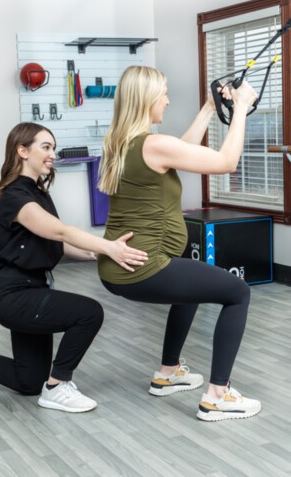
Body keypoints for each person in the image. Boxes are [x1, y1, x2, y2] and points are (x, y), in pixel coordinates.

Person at [0, 122, 148, 413]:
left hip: (33, 291)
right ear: (22, 151)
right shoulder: (14, 196)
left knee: (27, 381)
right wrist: (108, 246)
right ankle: (57, 386)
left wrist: (97, 255)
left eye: (53, 148)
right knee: (89, 313)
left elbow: (56, 243)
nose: (53, 154)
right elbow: (61, 231)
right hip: (13, 296)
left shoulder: (38, 192)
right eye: (46, 147)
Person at [98, 65, 261, 422]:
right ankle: (218, 396)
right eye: (164, 94)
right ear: (147, 99)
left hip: (117, 268)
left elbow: (179, 152)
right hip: (144, 266)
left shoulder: (121, 142)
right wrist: (241, 110)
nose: (168, 101)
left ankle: (168, 373)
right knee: (237, 292)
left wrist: (207, 108)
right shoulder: (152, 144)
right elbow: (226, 162)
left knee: (193, 288)